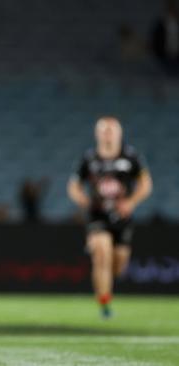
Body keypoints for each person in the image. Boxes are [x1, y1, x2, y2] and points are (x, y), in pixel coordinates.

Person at [67, 116, 152, 319]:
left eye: (112, 129)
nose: (108, 133)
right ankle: (105, 304)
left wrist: (131, 203)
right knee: (101, 253)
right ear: (97, 134)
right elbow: (73, 186)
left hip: (122, 219)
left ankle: (104, 282)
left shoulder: (131, 156)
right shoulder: (89, 158)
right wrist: (84, 201)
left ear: (119, 133)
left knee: (119, 265)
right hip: (98, 215)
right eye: (104, 130)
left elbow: (146, 185)